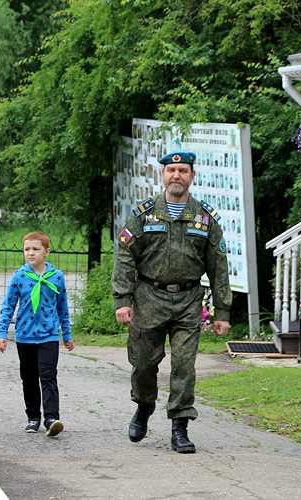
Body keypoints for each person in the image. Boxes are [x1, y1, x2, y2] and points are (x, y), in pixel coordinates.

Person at [113, 151, 231, 454]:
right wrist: (123, 300)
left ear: (192, 176)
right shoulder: (143, 214)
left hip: (189, 301)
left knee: (184, 365)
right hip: (148, 298)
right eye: (171, 170)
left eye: (182, 170)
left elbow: (218, 265)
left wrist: (223, 311)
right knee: (143, 364)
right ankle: (144, 406)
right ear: (162, 175)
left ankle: (180, 427)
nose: (176, 175)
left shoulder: (205, 219)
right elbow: (125, 256)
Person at [0, 231, 73, 437]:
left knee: (48, 376)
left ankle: (51, 418)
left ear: (46, 252)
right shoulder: (19, 276)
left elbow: (62, 308)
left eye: (35, 249)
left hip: (48, 335)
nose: (30, 253)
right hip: (25, 336)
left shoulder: (56, 277)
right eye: (27, 249)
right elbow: (8, 305)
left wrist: (67, 334)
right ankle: (33, 417)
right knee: (29, 378)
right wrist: (2, 332)